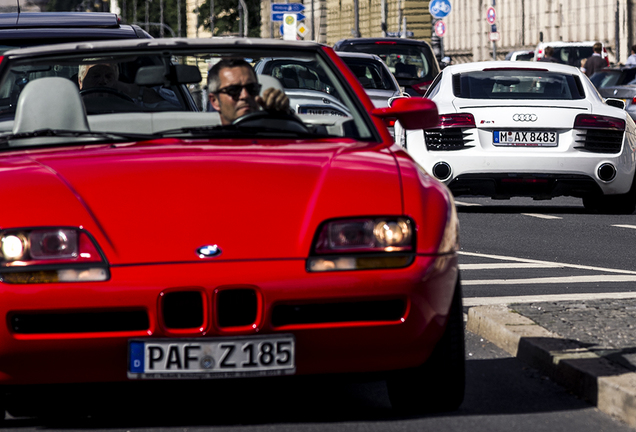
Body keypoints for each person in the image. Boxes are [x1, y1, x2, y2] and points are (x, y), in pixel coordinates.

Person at [207, 58, 290, 125]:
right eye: (233, 90)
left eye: (252, 88)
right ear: (214, 101)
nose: (245, 95)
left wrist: (284, 117)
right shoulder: (204, 143)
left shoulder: (276, 137)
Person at [78, 63, 179, 107]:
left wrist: (129, 89)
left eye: (109, 76)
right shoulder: (70, 107)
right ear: (80, 82)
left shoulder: (132, 104)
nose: (103, 81)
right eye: (95, 76)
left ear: (116, 80)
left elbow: (177, 107)